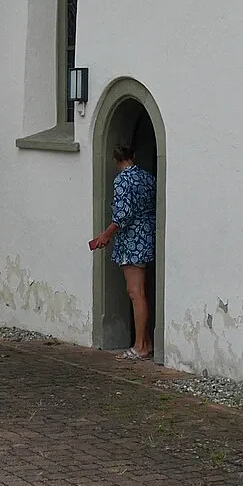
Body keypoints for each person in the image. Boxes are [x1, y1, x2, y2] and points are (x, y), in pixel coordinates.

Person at [89, 143, 156, 358]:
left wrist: (106, 234)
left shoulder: (122, 180)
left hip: (131, 239)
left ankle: (140, 346)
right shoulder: (146, 177)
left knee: (135, 292)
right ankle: (147, 342)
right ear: (133, 155)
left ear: (116, 160)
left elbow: (123, 215)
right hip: (147, 234)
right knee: (140, 292)